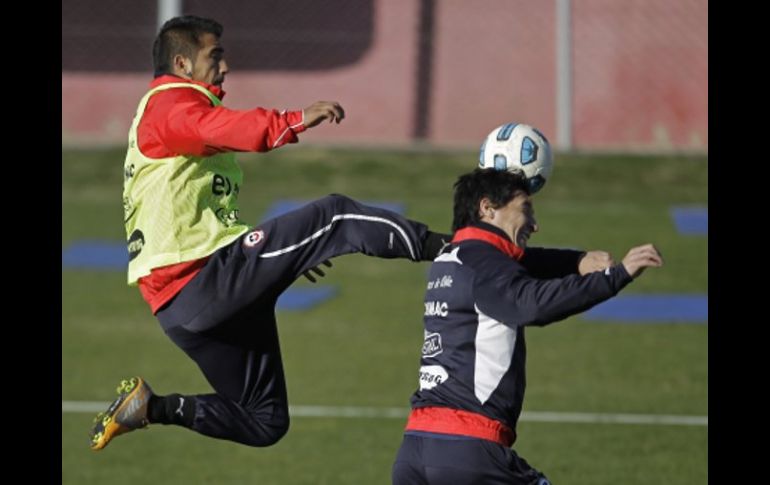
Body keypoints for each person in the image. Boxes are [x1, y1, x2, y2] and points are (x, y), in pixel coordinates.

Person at [88, 15, 452, 451]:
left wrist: (286, 259)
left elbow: (196, 212)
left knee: (264, 421)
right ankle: (458, 247)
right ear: (183, 64)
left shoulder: (171, 112)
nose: (224, 67)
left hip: (182, 309)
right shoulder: (170, 105)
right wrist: (294, 120)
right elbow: (224, 130)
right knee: (335, 217)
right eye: (215, 56)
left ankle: (151, 408)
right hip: (203, 280)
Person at [391, 168, 663, 484]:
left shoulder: (451, 259)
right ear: (487, 208)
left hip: (414, 451)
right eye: (525, 208)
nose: (534, 224)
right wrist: (617, 277)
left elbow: (523, 265)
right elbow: (531, 304)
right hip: (470, 454)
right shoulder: (486, 263)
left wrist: (576, 263)